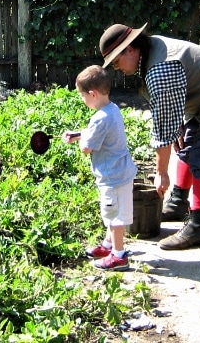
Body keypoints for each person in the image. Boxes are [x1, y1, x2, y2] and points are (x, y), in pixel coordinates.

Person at [99, 23, 200, 250]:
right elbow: (169, 109)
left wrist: (161, 173)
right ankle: (179, 203)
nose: (116, 68)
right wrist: (176, 125)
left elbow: (162, 130)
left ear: (129, 49)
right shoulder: (151, 50)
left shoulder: (161, 67)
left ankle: (197, 227)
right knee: (187, 145)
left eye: (116, 61)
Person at [63, 65, 138, 271]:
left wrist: (80, 141)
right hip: (121, 172)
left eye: (82, 96)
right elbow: (97, 134)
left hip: (112, 176)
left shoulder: (99, 118)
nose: (82, 99)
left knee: (114, 216)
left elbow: (86, 148)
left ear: (93, 94)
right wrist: (79, 133)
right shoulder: (112, 109)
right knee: (114, 211)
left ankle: (119, 255)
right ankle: (108, 245)